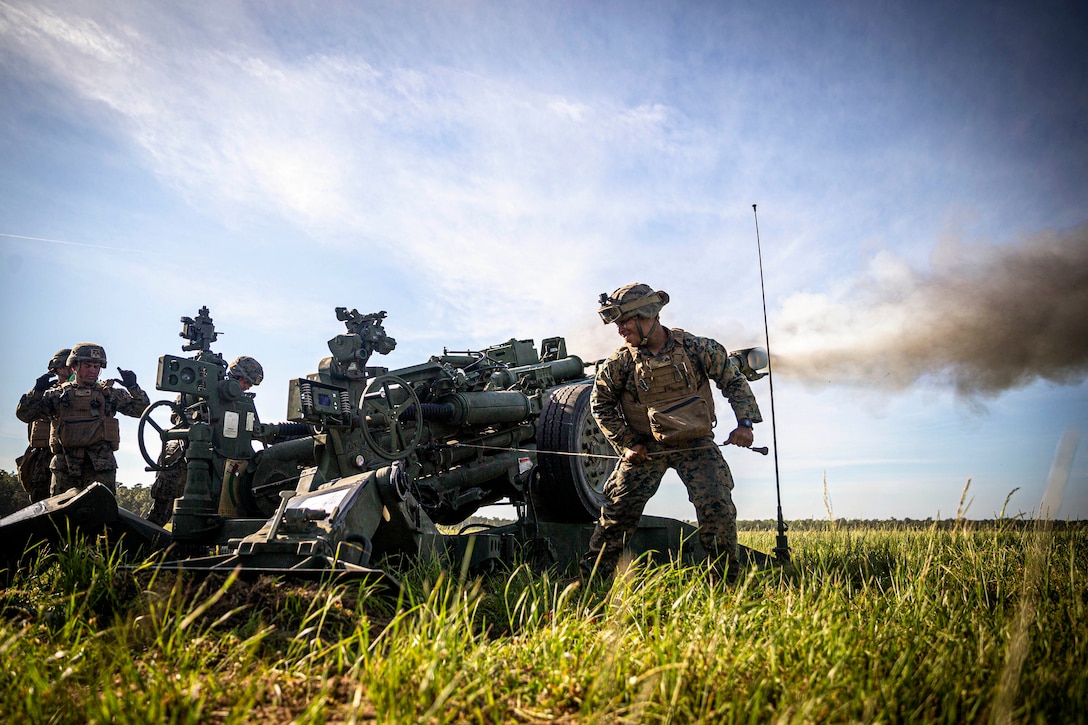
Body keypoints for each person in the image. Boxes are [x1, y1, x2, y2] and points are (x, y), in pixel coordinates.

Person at [581, 283, 762, 582]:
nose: (620, 330)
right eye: (617, 324)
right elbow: (600, 405)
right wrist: (627, 444)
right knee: (616, 514)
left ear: (646, 316)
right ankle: (592, 583)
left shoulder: (696, 348)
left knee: (718, 508)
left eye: (625, 321)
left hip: (696, 443)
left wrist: (745, 424)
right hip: (645, 449)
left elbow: (733, 380)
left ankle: (727, 586)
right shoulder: (620, 364)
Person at [15, 342, 150, 496]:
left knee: (101, 514)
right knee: (60, 514)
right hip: (65, 467)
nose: (92, 370)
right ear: (74, 367)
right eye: (87, 366)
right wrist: (37, 391)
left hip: (100, 467)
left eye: (96, 367)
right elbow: (25, 414)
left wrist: (133, 387)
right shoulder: (57, 395)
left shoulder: (110, 395)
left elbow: (142, 409)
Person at [146, 355, 264, 526]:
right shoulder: (202, 388)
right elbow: (176, 416)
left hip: (220, 456)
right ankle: (150, 541)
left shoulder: (242, 402)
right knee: (163, 505)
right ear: (236, 375)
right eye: (245, 382)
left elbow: (252, 429)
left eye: (250, 385)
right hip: (183, 450)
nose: (246, 387)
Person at [14, 349, 72, 502]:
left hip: (75, 454)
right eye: (68, 366)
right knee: (42, 503)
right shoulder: (46, 394)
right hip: (44, 457)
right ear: (58, 369)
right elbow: (24, 413)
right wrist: (37, 390)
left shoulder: (88, 392)